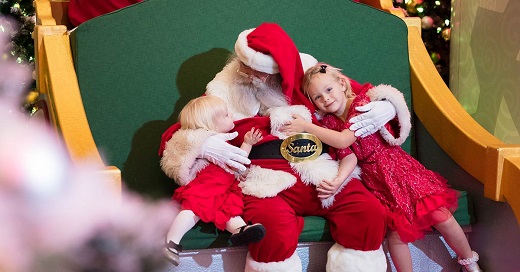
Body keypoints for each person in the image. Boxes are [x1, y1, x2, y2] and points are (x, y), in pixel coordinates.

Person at [159, 23, 404, 271]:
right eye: (247, 69)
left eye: (261, 72)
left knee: (368, 213)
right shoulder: (223, 87)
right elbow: (182, 131)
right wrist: (203, 144)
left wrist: (387, 106)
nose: (253, 77)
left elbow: (357, 93)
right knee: (272, 230)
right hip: (266, 179)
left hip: (321, 169)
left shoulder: (309, 75)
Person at [283, 63, 482, 272]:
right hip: (375, 180)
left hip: (397, 169)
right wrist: (338, 181)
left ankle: (469, 262)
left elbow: (343, 140)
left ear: (342, 84)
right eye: (317, 97)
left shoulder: (362, 104)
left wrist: (306, 127)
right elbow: (347, 155)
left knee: (440, 215)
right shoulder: (330, 123)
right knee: (396, 235)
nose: (325, 98)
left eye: (328, 90)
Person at [162, 96, 267, 266]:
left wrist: (247, 143)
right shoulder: (210, 142)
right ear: (211, 125)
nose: (231, 115)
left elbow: (237, 162)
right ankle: (170, 242)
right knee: (194, 208)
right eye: (226, 115)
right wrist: (246, 145)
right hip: (207, 185)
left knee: (228, 209)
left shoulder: (225, 142)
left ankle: (240, 230)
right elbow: (236, 161)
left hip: (224, 187)